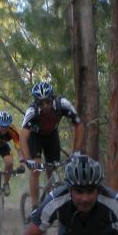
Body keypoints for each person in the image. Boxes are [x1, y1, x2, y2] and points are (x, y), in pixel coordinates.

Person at [18, 80, 84, 212]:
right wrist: (28, 160)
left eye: (48, 101)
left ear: (52, 98)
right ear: (36, 102)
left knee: (52, 169)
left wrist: (76, 151)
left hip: (51, 136)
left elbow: (78, 125)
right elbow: (23, 137)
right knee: (36, 168)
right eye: (41, 103)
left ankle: (52, 200)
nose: (45, 106)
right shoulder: (32, 111)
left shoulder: (62, 104)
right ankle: (35, 206)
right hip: (35, 137)